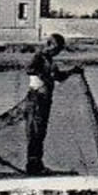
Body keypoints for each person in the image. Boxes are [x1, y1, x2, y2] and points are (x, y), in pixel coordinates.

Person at [24, 33, 80, 174]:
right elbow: (29, 69)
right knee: (35, 132)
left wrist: (72, 71)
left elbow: (59, 78)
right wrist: (45, 77)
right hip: (36, 98)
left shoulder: (50, 60)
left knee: (41, 132)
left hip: (45, 99)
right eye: (57, 48)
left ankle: (37, 164)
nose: (58, 52)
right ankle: (33, 165)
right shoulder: (39, 56)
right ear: (49, 45)